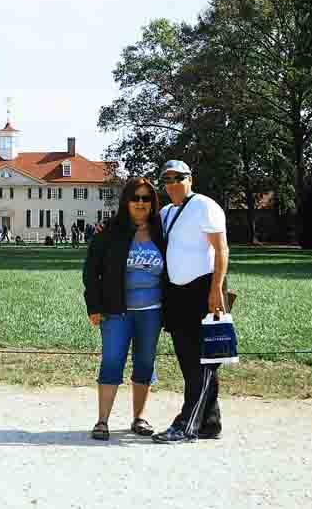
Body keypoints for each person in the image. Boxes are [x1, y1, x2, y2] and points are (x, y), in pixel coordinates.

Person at [151, 159, 229, 445]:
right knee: (188, 360)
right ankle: (210, 421)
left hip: (203, 290)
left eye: (177, 178)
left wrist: (216, 290)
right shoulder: (167, 212)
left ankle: (187, 424)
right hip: (176, 293)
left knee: (204, 361)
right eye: (167, 180)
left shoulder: (205, 206)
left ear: (190, 179)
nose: (172, 184)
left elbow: (221, 250)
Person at [82, 177, 166, 441]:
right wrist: (94, 306)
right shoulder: (109, 231)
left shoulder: (161, 232)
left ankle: (139, 418)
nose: (141, 203)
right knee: (112, 362)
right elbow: (90, 271)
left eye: (146, 198)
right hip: (116, 311)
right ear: (126, 201)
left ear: (153, 202)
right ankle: (102, 420)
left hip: (152, 311)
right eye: (135, 198)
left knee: (144, 363)